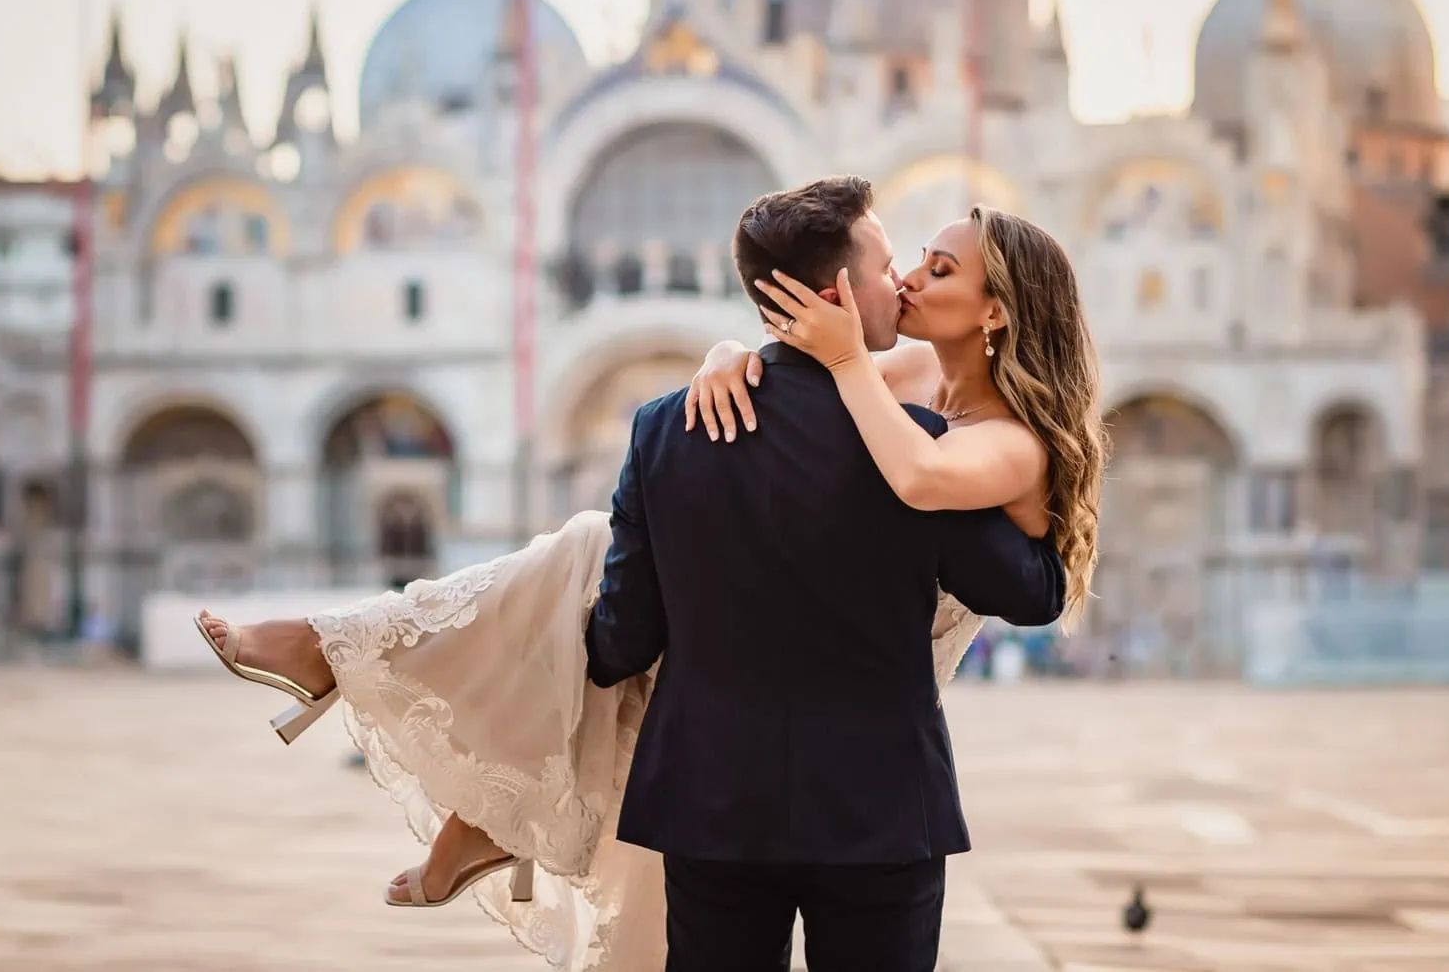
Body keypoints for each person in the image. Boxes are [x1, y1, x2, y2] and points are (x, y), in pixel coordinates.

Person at [195, 176, 1102, 970]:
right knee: (584, 552)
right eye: (898, 262)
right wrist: (741, 358)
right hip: (875, 803)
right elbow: (1022, 589)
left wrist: (742, 368)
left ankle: (401, 707)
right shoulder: (919, 425)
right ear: (830, 291)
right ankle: (446, 764)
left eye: (935, 268)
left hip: (709, 797)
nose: (905, 277)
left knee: (587, 559)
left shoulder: (675, 429)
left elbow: (621, 640)